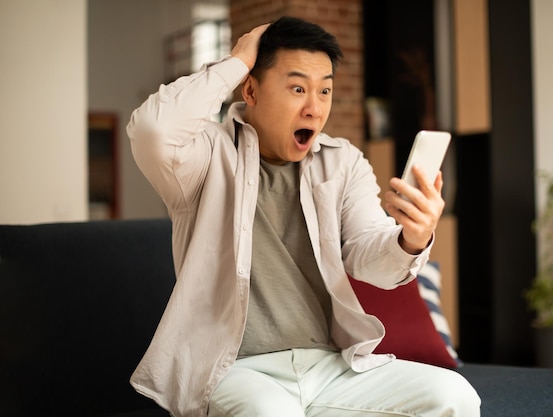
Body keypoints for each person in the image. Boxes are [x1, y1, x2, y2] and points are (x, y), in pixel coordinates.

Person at [127, 15, 480, 417]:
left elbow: (371, 258)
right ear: (252, 92)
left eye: (325, 91)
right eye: (297, 89)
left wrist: (411, 239)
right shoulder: (202, 159)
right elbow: (153, 130)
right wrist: (238, 61)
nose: (315, 109)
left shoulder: (342, 162)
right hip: (234, 371)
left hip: (330, 366)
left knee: (455, 396)